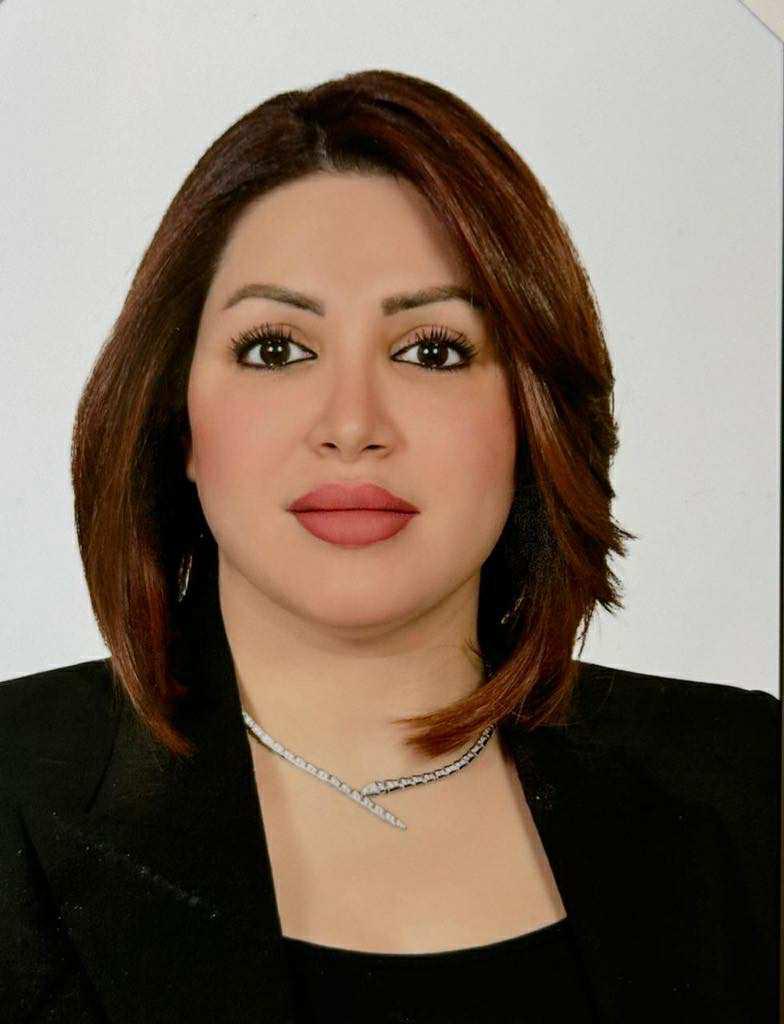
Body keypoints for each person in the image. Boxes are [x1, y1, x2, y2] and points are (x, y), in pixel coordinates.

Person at [0, 69, 778, 1024]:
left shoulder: (751, 784)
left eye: (432, 350)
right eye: (276, 349)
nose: (353, 425)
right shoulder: (14, 785)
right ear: (178, 417)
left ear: (530, 413)